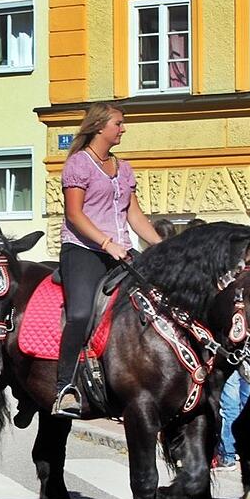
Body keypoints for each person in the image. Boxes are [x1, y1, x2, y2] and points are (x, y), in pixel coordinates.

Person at [53, 102, 163, 417]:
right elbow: (73, 214)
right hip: (83, 250)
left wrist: (160, 244)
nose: (123, 128)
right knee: (81, 313)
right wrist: (105, 242)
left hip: (121, 250)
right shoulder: (79, 164)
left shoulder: (123, 168)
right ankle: (65, 387)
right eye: (118, 123)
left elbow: (134, 214)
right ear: (101, 126)